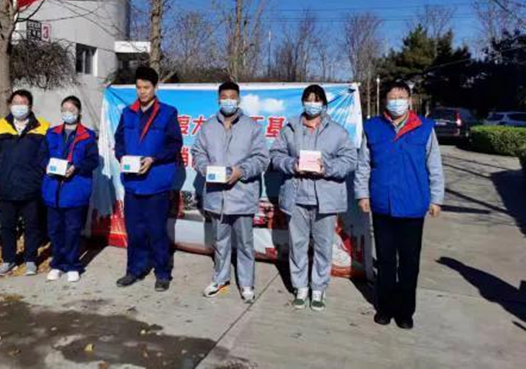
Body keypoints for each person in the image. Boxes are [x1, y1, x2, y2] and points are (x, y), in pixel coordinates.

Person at [355, 80, 445, 330]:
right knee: (385, 261)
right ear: (385, 101)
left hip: (413, 205)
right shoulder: (373, 128)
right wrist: (362, 195)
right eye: (392, 97)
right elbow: (363, 165)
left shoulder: (424, 128)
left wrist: (436, 198)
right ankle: (384, 308)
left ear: (409, 100)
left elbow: (434, 165)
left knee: (409, 262)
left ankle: (405, 312)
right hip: (382, 204)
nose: (396, 102)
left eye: (401, 97)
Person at [270, 84, 357, 311]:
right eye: (308, 99)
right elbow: (275, 155)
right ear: (302, 102)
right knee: (297, 245)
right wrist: (292, 164)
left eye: (316, 100)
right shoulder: (290, 129)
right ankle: (300, 287)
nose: (312, 104)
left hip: (325, 199)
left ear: (324, 104)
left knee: (323, 245)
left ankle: (318, 288)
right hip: (296, 197)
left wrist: (327, 168)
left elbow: (350, 160)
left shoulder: (337, 132)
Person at [192, 81, 270, 303]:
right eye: (224, 97)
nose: (228, 101)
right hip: (216, 197)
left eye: (232, 97)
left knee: (245, 243)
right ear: (218, 100)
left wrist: (241, 171)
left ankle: (246, 284)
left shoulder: (252, 127)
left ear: (239, 99)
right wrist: (206, 169)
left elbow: (262, 158)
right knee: (220, 241)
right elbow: (197, 152)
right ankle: (220, 279)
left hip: (242, 195)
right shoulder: (208, 127)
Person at [114, 66, 183, 292]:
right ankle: (134, 270)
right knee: (134, 231)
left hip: (156, 183)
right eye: (138, 87)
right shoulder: (127, 112)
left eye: (146, 87)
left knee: (156, 231)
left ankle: (162, 273)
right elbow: (119, 140)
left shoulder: (168, 113)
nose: (142, 91)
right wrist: (122, 157)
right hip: (132, 183)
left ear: (155, 87)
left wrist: (153, 159)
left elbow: (174, 144)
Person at [0, 89, 49, 277]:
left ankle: (30, 260)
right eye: (16, 103)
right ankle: (8, 260)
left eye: (23, 103)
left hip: (31, 188)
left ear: (30, 106)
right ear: (10, 105)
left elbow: (47, 157)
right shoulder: (0, 126)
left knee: (32, 226)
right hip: (6, 187)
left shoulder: (42, 128)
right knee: (7, 227)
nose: (19, 107)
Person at [42, 96, 99, 283]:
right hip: (53, 190)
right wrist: (46, 165)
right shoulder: (51, 133)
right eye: (64, 109)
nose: (68, 113)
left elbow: (93, 161)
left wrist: (76, 167)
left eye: (72, 109)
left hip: (75, 190)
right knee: (55, 231)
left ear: (79, 112)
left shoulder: (87, 136)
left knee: (73, 230)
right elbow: (41, 156)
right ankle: (57, 264)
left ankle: (73, 265)